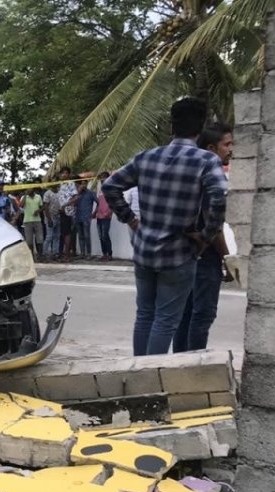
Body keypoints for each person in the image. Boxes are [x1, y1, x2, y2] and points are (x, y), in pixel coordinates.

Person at [102, 96, 228, 356]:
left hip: (145, 250)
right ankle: (151, 379)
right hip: (179, 253)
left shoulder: (146, 157)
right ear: (200, 128)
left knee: (145, 315)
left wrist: (131, 219)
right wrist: (206, 235)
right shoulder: (206, 161)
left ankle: (138, 372)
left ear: (172, 127)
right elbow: (219, 198)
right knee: (165, 320)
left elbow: (110, 186)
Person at [173, 122, 235, 352]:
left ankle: (177, 366)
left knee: (186, 315)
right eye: (226, 144)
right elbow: (214, 224)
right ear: (211, 148)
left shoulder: (189, 173)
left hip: (185, 255)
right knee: (202, 315)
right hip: (205, 257)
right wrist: (228, 259)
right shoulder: (212, 177)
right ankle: (192, 368)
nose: (231, 149)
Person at [56, 167, 78, 260]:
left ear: (69, 174)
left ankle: (67, 255)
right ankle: (65, 254)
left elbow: (76, 197)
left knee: (67, 233)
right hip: (61, 211)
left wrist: (65, 205)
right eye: (62, 173)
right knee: (64, 233)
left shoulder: (71, 184)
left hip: (68, 211)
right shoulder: (60, 185)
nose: (64, 175)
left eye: (66, 173)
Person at [74, 179, 98, 258]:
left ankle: (89, 253)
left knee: (87, 235)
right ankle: (82, 253)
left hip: (86, 217)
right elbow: (73, 203)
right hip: (77, 217)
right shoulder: (76, 194)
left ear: (87, 184)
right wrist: (78, 193)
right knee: (80, 236)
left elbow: (98, 203)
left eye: (85, 183)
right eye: (81, 184)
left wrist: (94, 212)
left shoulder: (91, 193)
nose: (83, 185)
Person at [20, 184, 45, 258]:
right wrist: (25, 195)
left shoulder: (38, 196)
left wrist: (39, 211)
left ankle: (40, 255)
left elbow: (42, 207)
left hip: (37, 220)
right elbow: (21, 205)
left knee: (40, 239)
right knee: (29, 240)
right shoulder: (24, 197)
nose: (28, 189)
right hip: (27, 221)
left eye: (30, 188)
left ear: (33, 188)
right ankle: (31, 256)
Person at [95, 172, 114, 260]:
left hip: (106, 216)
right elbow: (98, 203)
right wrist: (95, 212)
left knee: (104, 235)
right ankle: (104, 254)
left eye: (104, 177)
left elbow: (113, 203)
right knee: (100, 236)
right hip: (99, 216)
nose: (102, 179)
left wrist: (109, 213)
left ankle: (110, 254)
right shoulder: (99, 189)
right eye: (101, 178)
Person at [42, 183, 61, 260]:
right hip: (50, 217)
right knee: (49, 236)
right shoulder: (48, 193)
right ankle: (44, 253)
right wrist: (49, 219)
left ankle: (55, 253)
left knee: (57, 236)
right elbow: (45, 207)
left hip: (58, 216)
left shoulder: (60, 192)